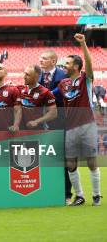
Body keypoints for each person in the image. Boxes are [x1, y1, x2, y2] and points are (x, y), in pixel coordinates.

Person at [56, 33, 101, 206]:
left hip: (87, 125)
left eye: (67, 63)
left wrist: (83, 44)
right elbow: (50, 95)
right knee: (71, 163)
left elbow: (89, 65)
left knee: (91, 161)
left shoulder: (85, 79)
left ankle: (96, 195)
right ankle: (80, 196)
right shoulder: (63, 84)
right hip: (70, 127)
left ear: (76, 66)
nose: (64, 65)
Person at [38, 49, 71, 203]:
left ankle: (66, 193)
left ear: (53, 61)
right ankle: (47, 190)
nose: (40, 61)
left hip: (60, 121)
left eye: (44, 58)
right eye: (40, 58)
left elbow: (61, 94)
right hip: (41, 121)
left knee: (62, 157)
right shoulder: (37, 76)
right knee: (45, 157)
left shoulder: (64, 76)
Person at [18, 65, 57, 130]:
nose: (24, 77)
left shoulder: (45, 92)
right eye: (24, 73)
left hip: (38, 131)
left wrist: (37, 121)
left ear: (36, 77)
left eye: (27, 75)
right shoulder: (19, 89)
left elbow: (53, 113)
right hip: (21, 130)